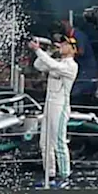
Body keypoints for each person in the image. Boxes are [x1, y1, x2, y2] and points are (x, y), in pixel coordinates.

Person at [32, 32, 80, 183]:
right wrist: (49, 51)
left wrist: (38, 50)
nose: (62, 46)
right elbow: (38, 65)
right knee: (45, 142)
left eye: (66, 44)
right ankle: (50, 174)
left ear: (73, 49)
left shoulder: (71, 66)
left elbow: (52, 65)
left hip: (60, 107)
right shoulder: (58, 61)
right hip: (49, 105)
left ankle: (65, 175)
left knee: (58, 141)